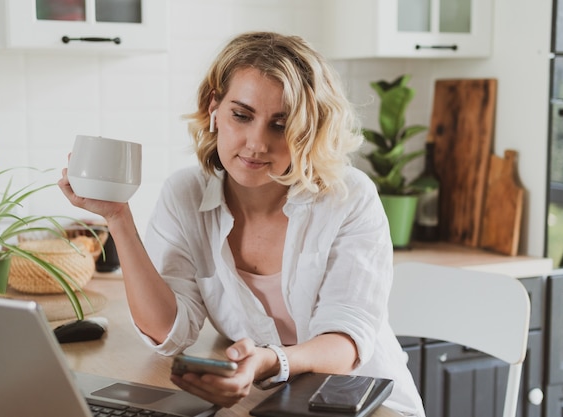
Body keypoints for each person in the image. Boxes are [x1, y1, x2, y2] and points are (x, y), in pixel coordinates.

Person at [58, 31, 426, 417]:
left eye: (280, 125)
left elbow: (346, 343)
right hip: (262, 401)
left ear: (309, 129)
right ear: (214, 107)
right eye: (242, 115)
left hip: (364, 401)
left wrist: (269, 361)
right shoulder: (185, 194)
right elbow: (169, 333)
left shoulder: (348, 197)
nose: (256, 143)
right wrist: (119, 218)